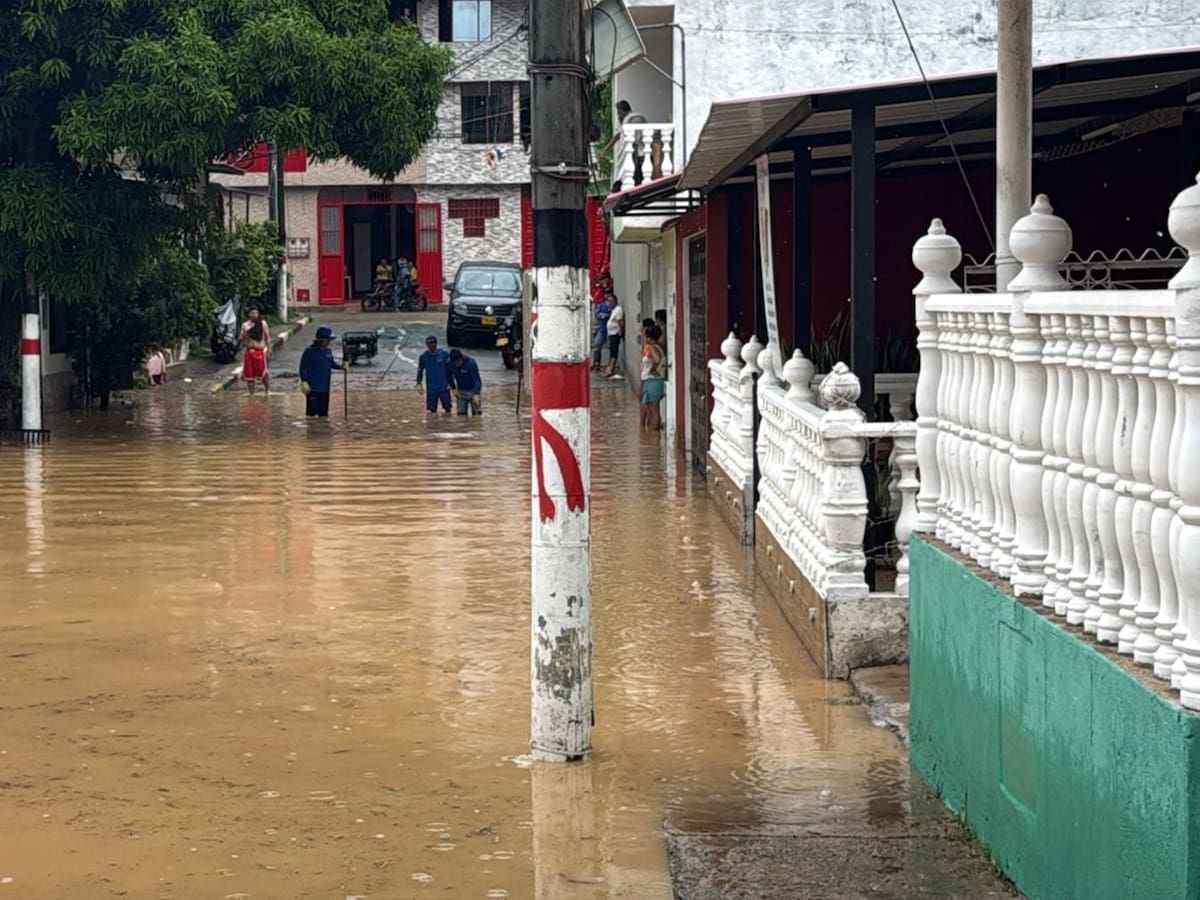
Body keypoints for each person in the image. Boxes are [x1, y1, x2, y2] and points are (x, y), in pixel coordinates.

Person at [298, 325, 346, 417]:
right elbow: (303, 367)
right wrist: (304, 380)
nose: (328, 342)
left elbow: (331, 363)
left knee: (323, 415)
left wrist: (341, 367)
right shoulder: (309, 351)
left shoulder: (328, 351)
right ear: (321, 339)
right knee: (311, 415)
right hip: (312, 389)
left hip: (324, 389)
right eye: (327, 340)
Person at [240, 306, 271, 393]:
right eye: (252, 313)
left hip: (259, 351)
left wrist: (269, 350)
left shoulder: (262, 323)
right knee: (249, 374)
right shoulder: (245, 325)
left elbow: (267, 337)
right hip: (249, 351)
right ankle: (251, 394)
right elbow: (241, 338)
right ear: (249, 314)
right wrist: (246, 333)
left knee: (263, 373)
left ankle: (267, 391)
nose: (254, 315)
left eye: (256, 313)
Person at [416, 335, 451, 413]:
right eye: (429, 345)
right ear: (427, 345)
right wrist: (418, 383)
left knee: (447, 408)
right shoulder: (423, 357)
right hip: (431, 388)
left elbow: (451, 368)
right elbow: (420, 370)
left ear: (436, 344)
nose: (431, 346)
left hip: (444, 386)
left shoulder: (444, 354)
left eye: (433, 344)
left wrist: (451, 383)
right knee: (432, 410)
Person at [641, 324, 666, 431]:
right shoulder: (659, 346)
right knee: (652, 407)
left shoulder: (651, 348)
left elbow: (657, 359)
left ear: (649, 338)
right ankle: (653, 436)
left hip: (652, 381)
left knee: (654, 408)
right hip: (653, 381)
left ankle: (654, 435)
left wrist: (653, 368)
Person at [448, 349, 483, 416]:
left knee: (477, 415)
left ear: (461, 358)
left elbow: (477, 380)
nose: (456, 364)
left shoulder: (471, 363)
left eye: (458, 361)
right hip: (461, 392)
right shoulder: (449, 364)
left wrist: (476, 393)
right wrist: (453, 388)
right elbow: (448, 376)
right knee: (461, 415)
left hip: (473, 390)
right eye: (454, 362)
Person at [604, 296, 625, 379]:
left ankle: (610, 369)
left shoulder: (618, 310)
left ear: (615, 301)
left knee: (614, 352)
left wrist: (621, 332)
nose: (609, 303)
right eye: (608, 302)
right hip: (611, 333)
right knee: (612, 351)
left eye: (611, 301)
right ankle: (609, 368)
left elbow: (621, 322)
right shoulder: (613, 310)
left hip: (615, 333)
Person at [592, 293, 612, 371]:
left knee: (611, 347)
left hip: (611, 329)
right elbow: (597, 315)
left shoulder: (613, 306)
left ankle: (610, 365)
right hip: (602, 328)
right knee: (597, 345)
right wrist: (600, 315)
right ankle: (596, 363)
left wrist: (606, 315)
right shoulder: (602, 305)